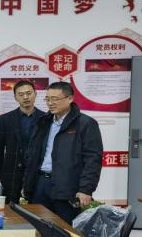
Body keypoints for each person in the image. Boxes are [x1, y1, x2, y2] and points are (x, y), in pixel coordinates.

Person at [23, 81, 103, 224]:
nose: (50, 103)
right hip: (41, 184)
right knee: (39, 228)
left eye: (55, 99)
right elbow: (33, 155)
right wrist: (28, 184)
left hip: (67, 187)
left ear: (70, 98)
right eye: (47, 99)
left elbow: (92, 159)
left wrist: (85, 189)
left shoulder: (85, 123)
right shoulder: (43, 122)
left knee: (66, 230)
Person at [0, 81, 45, 204]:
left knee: (36, 207)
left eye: (29, 93)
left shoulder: (45, 118)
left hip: (36, 171)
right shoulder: (6, 119)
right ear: (15, 97)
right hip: (11, 172)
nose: (25, 97)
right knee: (10, 207)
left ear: (35, 94)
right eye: (21, 94)